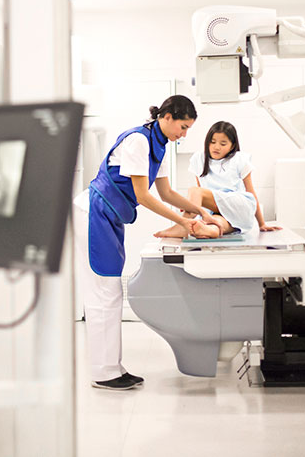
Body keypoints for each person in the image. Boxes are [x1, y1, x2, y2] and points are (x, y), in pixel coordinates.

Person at [73, 95, 214, 390]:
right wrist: (183, 223)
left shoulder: (159, 144)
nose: (184, 134)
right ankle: (104, 371)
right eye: (183, 126)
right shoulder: (139, 141)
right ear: (167, 117)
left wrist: (199, 210)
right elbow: (142, 195)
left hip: (110, 215)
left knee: (109, 292)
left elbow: (165, 192)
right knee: (104, 292)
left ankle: (112, 367)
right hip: (94, 212)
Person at [154, 120, 281, 239]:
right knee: (215, 225)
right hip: (216, 211)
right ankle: (205, 230)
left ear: (232, 146)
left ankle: (182, 226)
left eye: (223, 143)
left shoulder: (239, 159)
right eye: (213, 142)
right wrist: (192, 206)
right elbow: (202, 198)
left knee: (195, 191)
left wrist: (261, 224)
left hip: (238, 206)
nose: (216, 147)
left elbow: (251, 193)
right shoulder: (199, 159)